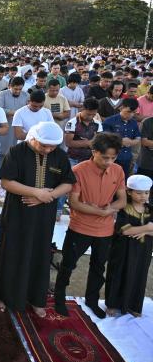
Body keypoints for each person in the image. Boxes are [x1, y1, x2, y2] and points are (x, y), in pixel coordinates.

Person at [0, 122, 75, 317]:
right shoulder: (17, 151)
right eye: (43, 145)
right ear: (33, 138)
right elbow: (6, 182)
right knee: (11, 251)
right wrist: (36, 192)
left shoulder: (59, 155)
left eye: (51, 146)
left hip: (44, 214)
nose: (47, 150)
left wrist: (49, 196)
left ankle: (36, 298)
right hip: (17, 212)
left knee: (40, 253)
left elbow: (68, 182)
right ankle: (1, 295)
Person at [54, 132, 126, 318]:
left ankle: (92, 300)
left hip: (105, 230)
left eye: (113, 157)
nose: (109, 161)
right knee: (68, 264)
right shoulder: (78, 170)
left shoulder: (118, 170)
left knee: (99, 267)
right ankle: (59, 297)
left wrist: (109, 209)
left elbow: (122, 200)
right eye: (105, 157)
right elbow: (74, 202)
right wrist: (100, 211)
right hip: (80, 227)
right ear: (94, 152)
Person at [105, 174, 153, 317]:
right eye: (139, 193)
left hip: (143, 251)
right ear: (129, 192)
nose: (143, 196)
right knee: (118, 274)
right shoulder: (124, 209)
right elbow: (125, 230)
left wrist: (145, 231)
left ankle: (133, 305)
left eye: (146, 192)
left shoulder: (150, 209)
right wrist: (148, 228)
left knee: (139, 275)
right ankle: (113, 304)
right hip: (123, 250)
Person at [102, 98, 140, 178]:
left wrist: (130, 142)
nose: (131, 115)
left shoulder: (134, 123)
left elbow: (138, 139)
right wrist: (120, 141)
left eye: (134, 112)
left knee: (123, 180)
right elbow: (103, 139)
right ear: (121, 108)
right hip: (111, 159)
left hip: (127, 158)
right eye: (129, 112)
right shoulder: (109, 121)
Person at [64, 98, 103, 167]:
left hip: (91, 159)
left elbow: (100, 141)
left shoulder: (97, 124)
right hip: (74, 159)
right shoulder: (72, 123)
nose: (91, 116)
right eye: (88, 114)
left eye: (93, 115)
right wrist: (88, 143)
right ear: (82, 109)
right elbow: (68, 143)